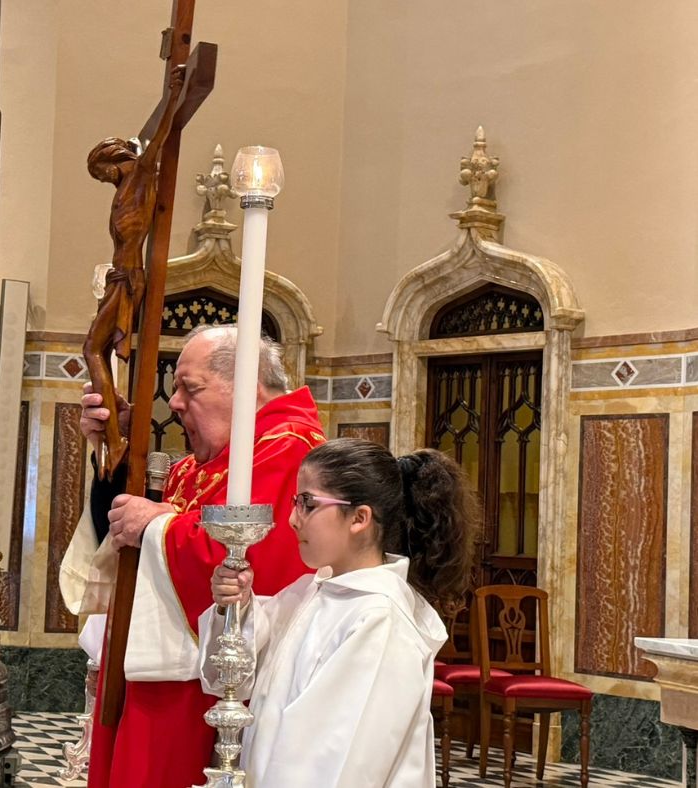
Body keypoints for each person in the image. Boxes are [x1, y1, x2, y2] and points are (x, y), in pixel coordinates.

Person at [81, 324, 326, 788]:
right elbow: (128, 539)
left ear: (247, 385)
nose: (174, 403)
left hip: (203, 690)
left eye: (190, 388)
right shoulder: (211, 459)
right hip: (164, 680)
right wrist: (116, 451)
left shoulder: (287, 447)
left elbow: (238, 557)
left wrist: (155, 524)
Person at [202, 438, 477, 787]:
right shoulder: (310, 592)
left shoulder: (378, 619)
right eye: (296, 502)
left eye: (308, 503)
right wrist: (235, 607)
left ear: (359, 518)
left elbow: (336, 763)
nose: (292, 519)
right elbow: (230, 679)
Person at [82, 65, 185, 479]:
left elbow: (157, 141)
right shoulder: (125, 188)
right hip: (119, 276)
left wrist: (172, 96)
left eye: (101, 172)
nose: (103, 179)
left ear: (112, 161)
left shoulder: (140, 176)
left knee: (92, 348)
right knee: (94, 349)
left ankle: (115, 438)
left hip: (130, 277)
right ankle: (111, 437)